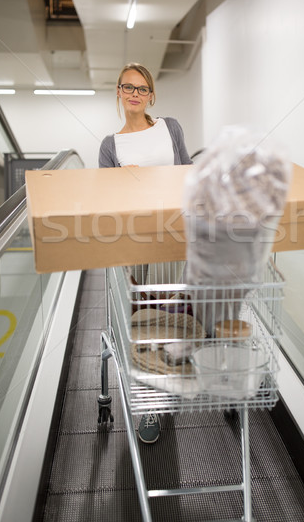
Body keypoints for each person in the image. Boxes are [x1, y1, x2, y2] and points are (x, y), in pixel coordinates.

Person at [99, 62, 192, 443]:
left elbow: (188, 173)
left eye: (141, 89)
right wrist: (123, 181)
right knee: (144, 317)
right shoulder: (111, 145)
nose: (134, 94)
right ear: (119, 93)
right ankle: (151, 402)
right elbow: (105, 199)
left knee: (172, 313)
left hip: (173, 235)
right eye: (127, 88)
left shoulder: (169, 127)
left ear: (151, 95)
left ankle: (168, 383)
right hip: (135, 239)